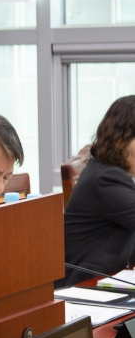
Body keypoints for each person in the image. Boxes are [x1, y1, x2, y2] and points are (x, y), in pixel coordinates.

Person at [61, 95, 135, 288]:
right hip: (81, 286)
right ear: (120, 139)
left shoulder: (107, 171)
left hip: (105, 279)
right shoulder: (106, 178)